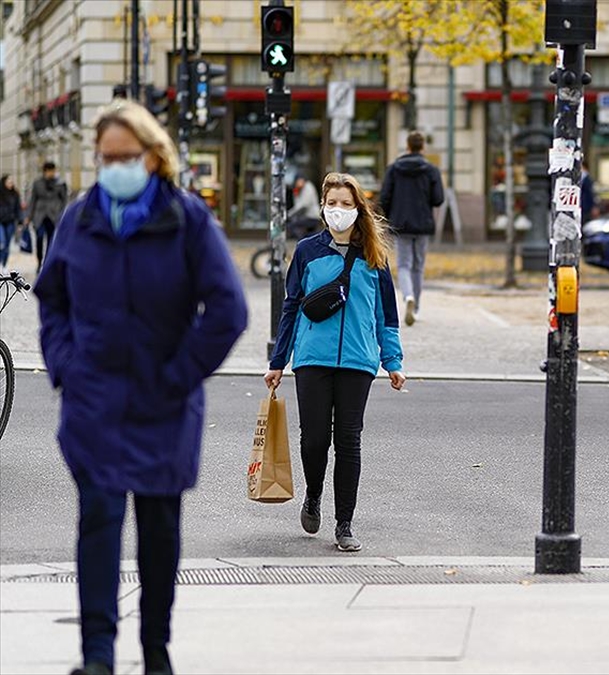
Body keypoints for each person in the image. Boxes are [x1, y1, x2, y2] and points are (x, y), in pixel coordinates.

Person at [34, 100, 248, 675]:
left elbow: (228, 310)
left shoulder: (186, 219)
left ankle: (156, 650)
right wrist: (64, 366)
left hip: (164, 403)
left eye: (125, 157)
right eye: (105, 158)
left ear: (153, 157)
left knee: (159, 529)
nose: (114, 168)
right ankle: (97, 655)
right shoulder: (80, 218)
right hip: (94, 401)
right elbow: (50, 298)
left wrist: (179, 375)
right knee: (99, 520)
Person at [265, 172, 405, 553]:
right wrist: (278, 360)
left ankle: (345, 524)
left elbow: (386, 316)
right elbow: (291, 306)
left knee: (348, 441)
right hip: (312, 358)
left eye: (347, 204)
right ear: (323, 207)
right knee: (314, 439)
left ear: (359, 209)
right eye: (332, 204)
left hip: (359, 361)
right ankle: (313, 495)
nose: (338, 210)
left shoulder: (375, 256)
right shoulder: (308, 250)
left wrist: (392, 360)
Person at [378, 131, 445, 326]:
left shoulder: (393, 169)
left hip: (401, 223)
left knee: (404, 264)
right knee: (418, 265)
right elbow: (438, 199)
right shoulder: (431, 170)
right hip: (423, 224)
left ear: (407, 146)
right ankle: (415, 307)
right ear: (422, 147)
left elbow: (384, 198)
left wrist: (388, 218)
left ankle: (407, 296)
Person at [26, 160, 69, 272]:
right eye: (50, 171)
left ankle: (47, 262)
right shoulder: (37, 183)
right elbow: (33, 200)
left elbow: (64, 199)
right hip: (39, 215)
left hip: (54, 215)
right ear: (45, 171)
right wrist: (28, 216)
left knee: (51, 239)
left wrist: (62, 213)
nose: (52, 173)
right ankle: (39, 260)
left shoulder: (60, 183)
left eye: (53, 171)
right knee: (39, 237)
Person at [0, 175, 22, 269]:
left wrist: (20, 221)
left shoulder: (15, 194)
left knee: (7, 245)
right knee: (2, 242)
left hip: (10, 221)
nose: (11, 183)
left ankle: (3, 265)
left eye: (12, 181)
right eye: (9, 181)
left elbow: (18, 209)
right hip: (0, 221)